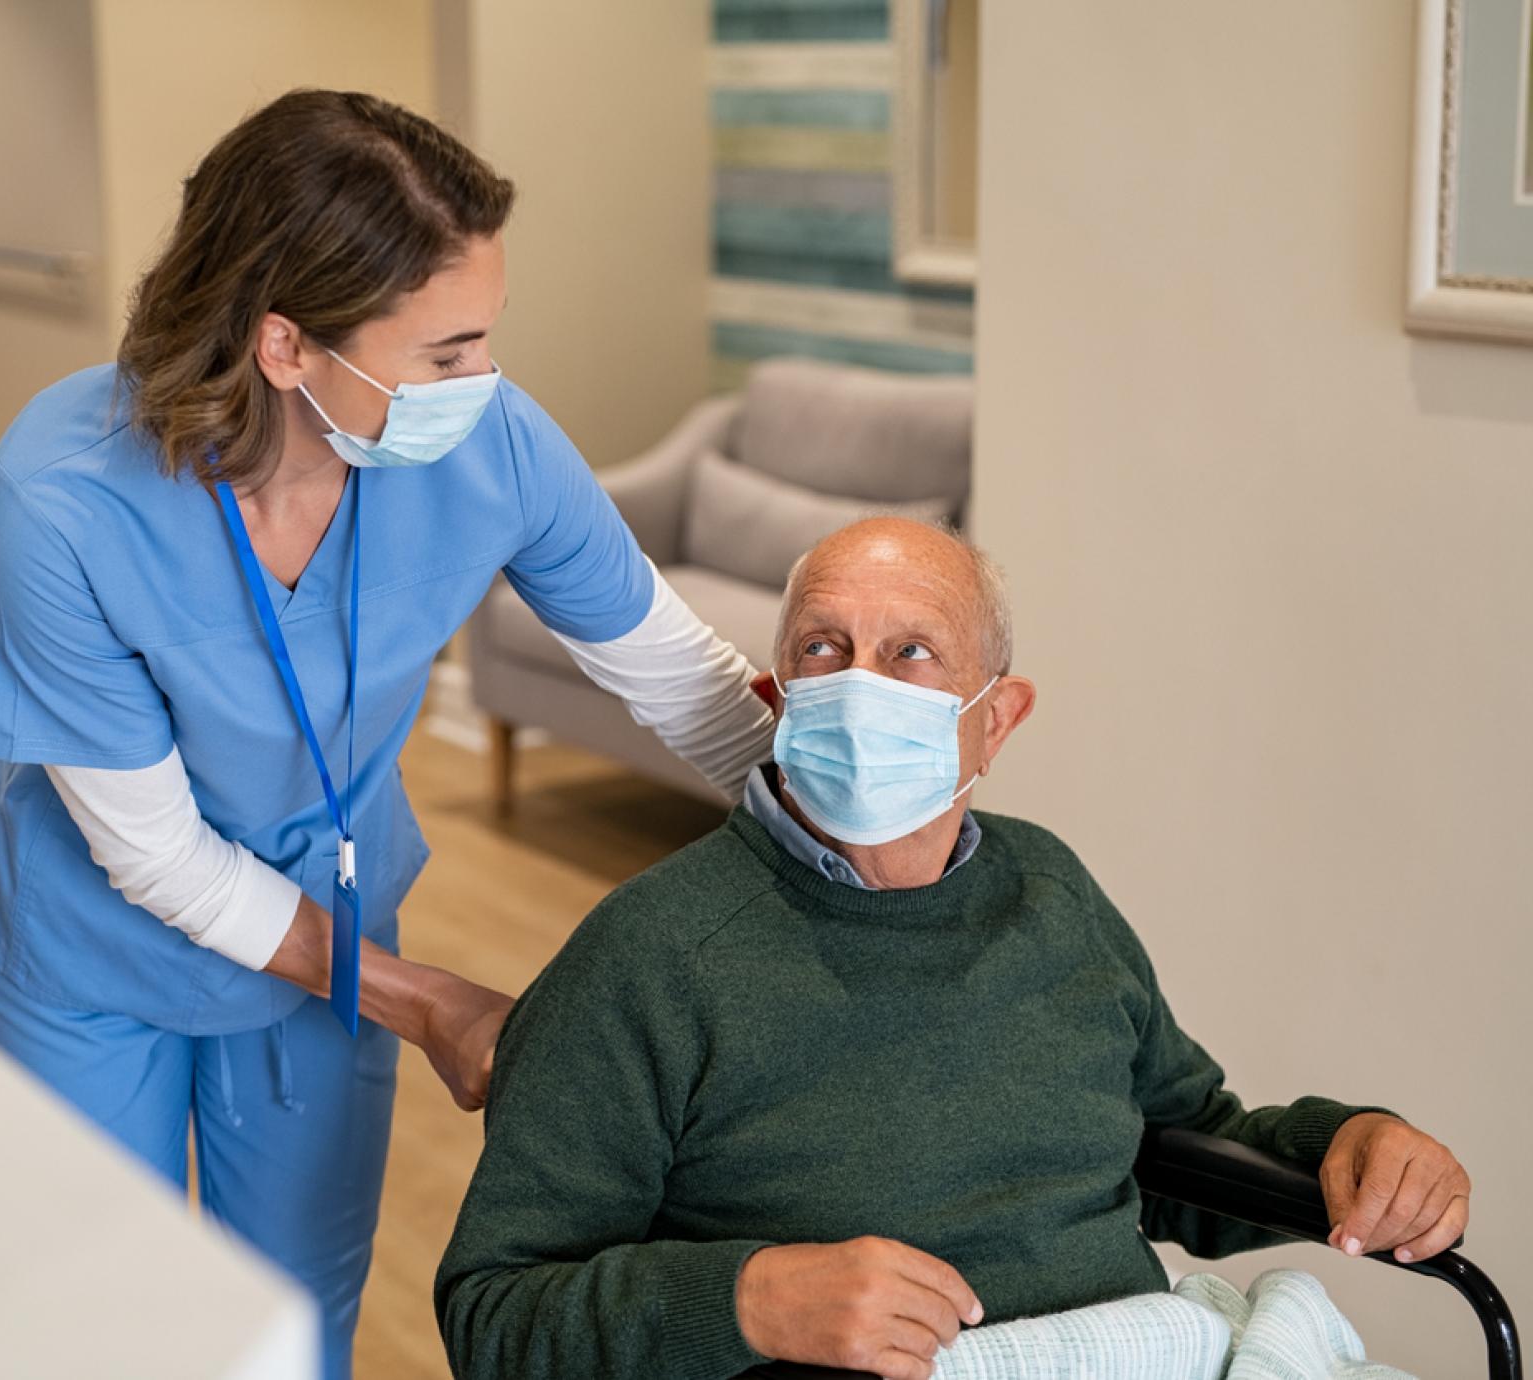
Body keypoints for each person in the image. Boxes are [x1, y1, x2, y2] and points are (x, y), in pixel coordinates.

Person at [0, 89, 774, 1379]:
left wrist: (845, 828)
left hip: (323, 901)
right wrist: (422, 998)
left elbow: (682, 681)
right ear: (286, 346)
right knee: (95, 1326)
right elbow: (157, 862)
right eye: (444, 352)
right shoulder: (60, 505)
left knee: (293, 1318)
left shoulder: (487, 443)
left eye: (486, 340)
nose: (480, 384)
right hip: (94, 943)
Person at [434, 518, 1473, 1380]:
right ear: (775, 702)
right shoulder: (648, 956)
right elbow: (493, 1313)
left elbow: (1177, 1145)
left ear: (996, 721)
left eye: (910, 653)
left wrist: (1347, 1150)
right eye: (821, 650)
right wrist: (743, 1300)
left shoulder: (1050, 890)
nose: (859, 686)